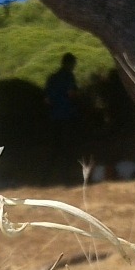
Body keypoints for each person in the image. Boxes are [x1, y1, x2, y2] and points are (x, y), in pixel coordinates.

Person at [43, 52, 79, 183]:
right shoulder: (68, 77)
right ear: (70, 64)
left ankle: (46, 177)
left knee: (54, 146)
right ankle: (66, 177)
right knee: (67, 147)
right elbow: (71, 94)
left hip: (53, 116)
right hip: (66, 114)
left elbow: (47, 100)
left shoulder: (52, 78)